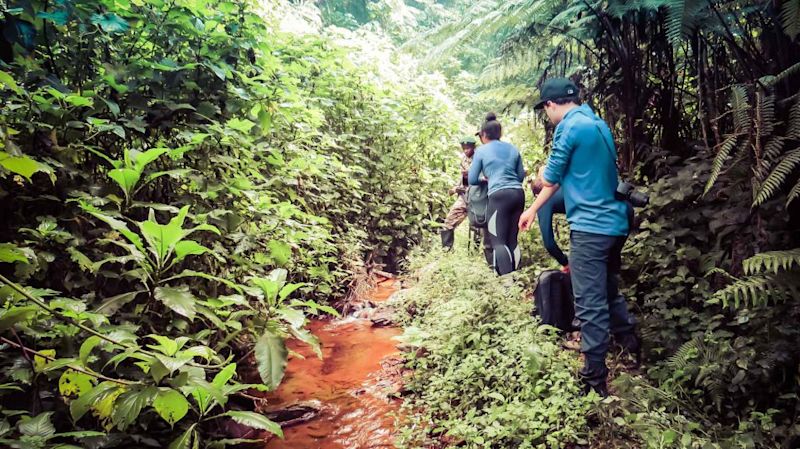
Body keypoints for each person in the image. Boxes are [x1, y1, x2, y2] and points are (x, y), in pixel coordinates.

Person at [518, 78, 639, 397]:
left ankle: (594, 381)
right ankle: (630, 345)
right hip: (615, 223)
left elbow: (551, 177)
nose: (547, 116)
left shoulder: (568, 129)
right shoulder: (597, 123)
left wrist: (536, 190)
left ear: (550, 105)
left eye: (545, 110)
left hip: (591, 227)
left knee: (589, 304)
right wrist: (533, 210)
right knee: (609, 289)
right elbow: (567, 178)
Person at [469, 113, 526, 276]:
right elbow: (520, 176)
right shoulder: (513, 149)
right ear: (499, 133)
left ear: (484, 135)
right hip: (518, 194)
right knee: (512, 239)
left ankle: (507, 283)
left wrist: (486, 179)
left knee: (498, 242)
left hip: (498, 196)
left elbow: (472, 179)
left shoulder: (481, 151)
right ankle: (516, 277)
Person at [440, 136, 493, 263]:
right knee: (448, 222)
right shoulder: (463, 159)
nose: (466, 151)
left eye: (468, 148)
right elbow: (462, 180)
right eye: (463, 148)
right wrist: (455, 189)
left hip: (479, 196)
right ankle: (446, 254)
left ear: (474, 147)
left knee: (479, 226)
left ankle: (480, 258)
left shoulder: (481, 157)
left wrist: (472, 175)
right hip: (464, 195)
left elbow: (487, 177)